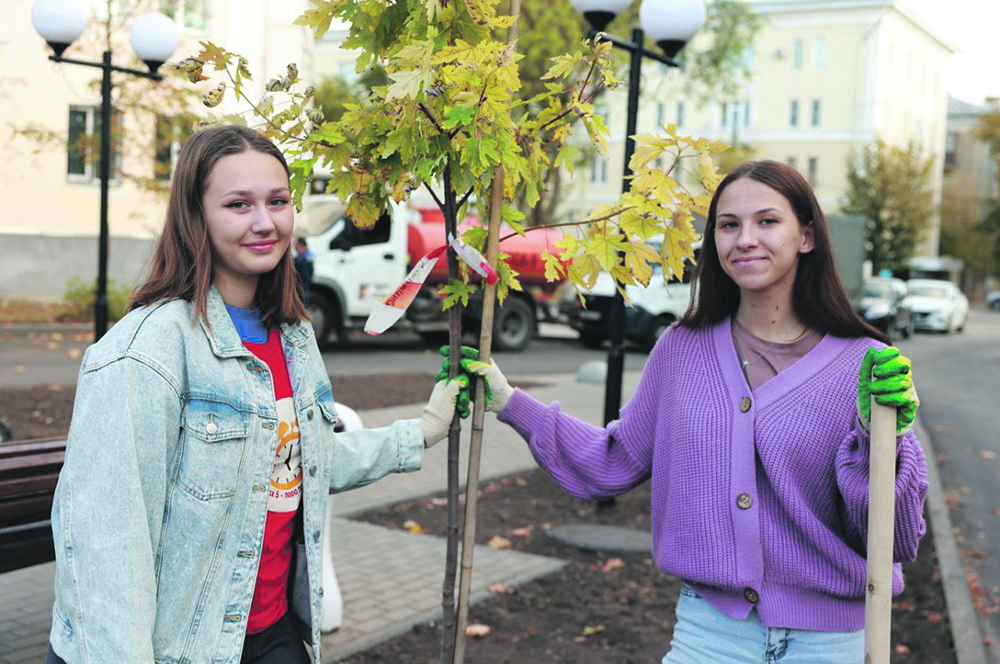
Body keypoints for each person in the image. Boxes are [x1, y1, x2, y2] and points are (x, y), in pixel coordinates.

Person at [448, 160, 927, 662]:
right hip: (711, 635)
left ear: (806, 236)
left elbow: (893, 538)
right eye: (728, 224)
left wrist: (884, 440)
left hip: (831, 642)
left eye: (767, 221)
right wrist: (506, 400)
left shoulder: (863, 363)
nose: (744, 239)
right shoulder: (682, 349)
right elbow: (613, 460)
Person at [45, 124, 463, 664]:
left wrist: (422, 431)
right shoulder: (147, 351)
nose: (265, 222)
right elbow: (108, 550)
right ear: (196, 216)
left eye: (278, 201)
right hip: (180, 646)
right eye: (238, 204)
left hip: (271, 629)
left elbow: (298, 463)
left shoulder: (292, 337)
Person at [292, 237, 313, 307]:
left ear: (300, 245)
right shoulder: (308, 255)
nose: (294, 245)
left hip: (301, 289)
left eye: (295, 243)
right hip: (306, 288)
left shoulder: (301, 257)